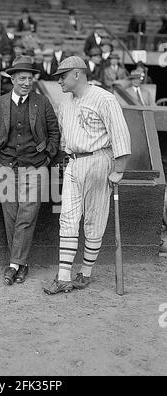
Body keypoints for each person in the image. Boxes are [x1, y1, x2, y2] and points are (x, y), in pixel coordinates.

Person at [43, 56, 131, 294]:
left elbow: (121, 136)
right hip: (74, 162)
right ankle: (63, 277)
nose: (59, 81)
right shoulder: (66, 102)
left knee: (94, 221)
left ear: (78, 74)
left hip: (99, 160)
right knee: (68, 219)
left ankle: (86, 272)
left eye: (62, 76)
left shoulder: (104, 99)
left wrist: (118, 170)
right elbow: (64, 138)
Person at [0, 55, 60, 285]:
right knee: (11, 215)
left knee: (27, 214)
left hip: (36, 167)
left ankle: (13, 265)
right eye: (22, 78)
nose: (27, 82)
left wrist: (47, 156)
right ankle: (21, 264)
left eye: (30, 78)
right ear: (13, 79)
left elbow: (54, 131)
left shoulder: (42, 102)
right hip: (6, 166)